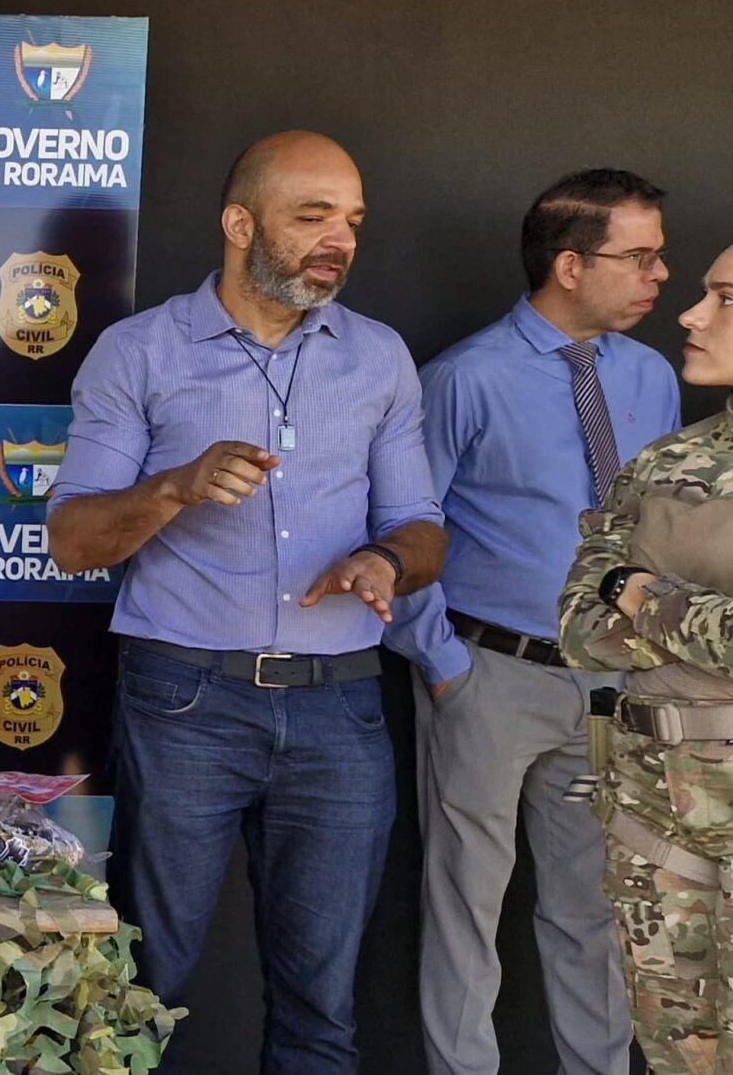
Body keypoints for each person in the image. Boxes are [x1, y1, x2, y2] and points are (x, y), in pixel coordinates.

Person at [44, 130, 447, 1074]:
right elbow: (71, 541)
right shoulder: (139, 352)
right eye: (311, 216)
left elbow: (424, 525)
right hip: (186, 703)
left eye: (350, 221)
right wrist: (173, 489)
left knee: (321, 1007)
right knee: (144, 991)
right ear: (239, 224)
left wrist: (387, 561)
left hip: (341, 707)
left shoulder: (379, 358)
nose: (338, 240)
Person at [384, 169, 677, 1075]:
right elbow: (403, 527)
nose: (661, 274)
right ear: (569, 264)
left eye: (660, 255)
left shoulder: (653, 377)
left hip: (612, 691)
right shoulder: (465, 379)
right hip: (491, 678)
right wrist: (441, 667)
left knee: (594, 912)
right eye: (639, 256)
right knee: (466, 907)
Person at [561, 244, 733, 1075]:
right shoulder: (666, 464)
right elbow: (578, 627)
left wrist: (644, 595)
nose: (691, 315)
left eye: (723, 297)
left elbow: (617, 601)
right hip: (657, 827)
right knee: (678, 1058)